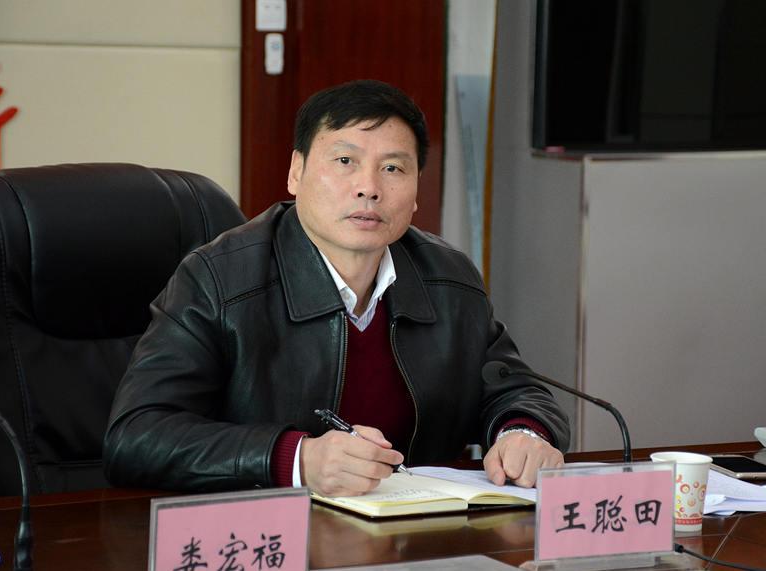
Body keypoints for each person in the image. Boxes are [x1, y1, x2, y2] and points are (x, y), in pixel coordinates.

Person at [103, 79, 569, 497]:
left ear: (416, 191)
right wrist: (295, 459)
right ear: (296, 172)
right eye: (345, 161)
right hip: (269, 533)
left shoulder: (449, 278)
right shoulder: (217, 279)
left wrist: (523, 433)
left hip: (416, 533)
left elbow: (514, 387)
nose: (368, 188)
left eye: (393, 168)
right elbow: (137, 436)